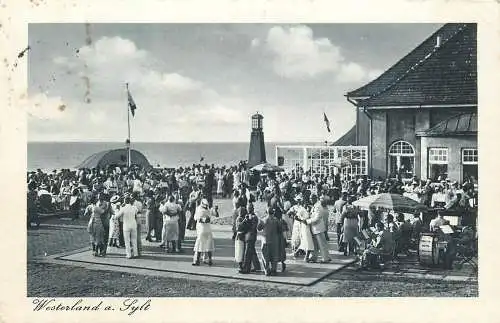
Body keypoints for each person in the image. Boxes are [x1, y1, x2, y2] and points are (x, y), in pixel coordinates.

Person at [305, 195, 331, 263]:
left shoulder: (318, 206)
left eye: (312, 198)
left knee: (322, 244)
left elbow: (317, 218)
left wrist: (308, 221)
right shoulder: (314, 206)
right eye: (310, 198)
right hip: (314, 228)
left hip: (318, 227)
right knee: (315, 244)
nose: (310, 199)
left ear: (315, 198)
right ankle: (314, 257)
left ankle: (325, 258)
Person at [192, 199, 217, 266]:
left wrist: (205, 219)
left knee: (200, 245)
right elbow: (216, 215)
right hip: (207, 229)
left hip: (201, 229)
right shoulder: (208, 209)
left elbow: (197, 219)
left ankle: (197, 260)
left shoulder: (199, 209)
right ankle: (209, 260)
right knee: (208, 245)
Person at [257, 207, 280, 276]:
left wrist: (259, 220)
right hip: (274, 240)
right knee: (274, 256)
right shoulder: (276, 220)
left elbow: (258, 228)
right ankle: (273, 270)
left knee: (265, 257)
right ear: (273, 213)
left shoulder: (264, 220)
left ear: (267, 213)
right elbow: (280, 230)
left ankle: (267, 270)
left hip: (265, 240)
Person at [239, 203, 261, 274]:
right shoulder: (247, 216)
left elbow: (253, 228)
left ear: (252, 209)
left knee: (247, 253)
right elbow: (241, 226)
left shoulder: (254, 217)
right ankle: (257, 266)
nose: (248, 209)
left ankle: (246, 268)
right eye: (248, 208)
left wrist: (248, 221)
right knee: (252, 252)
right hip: (248, 236)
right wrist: (245, 220)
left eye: (250, 208)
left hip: (251, 236)